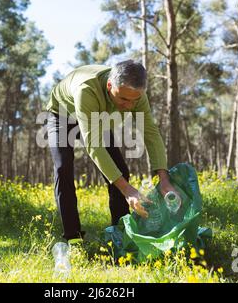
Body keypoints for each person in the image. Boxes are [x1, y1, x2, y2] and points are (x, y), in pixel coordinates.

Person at [45, 60, 177, 244]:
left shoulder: (136, 95)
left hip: (98, 117)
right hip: (61, 114)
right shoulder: (87, 90)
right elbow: (94, 146)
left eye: (134, 100)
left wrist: (164, 179)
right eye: (123, 99)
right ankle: (73, 237)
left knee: (119, 170)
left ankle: (121, 234)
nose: (129, 106)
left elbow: (151, 133)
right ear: (109, 86)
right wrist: (127, 190)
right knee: (63, 169)